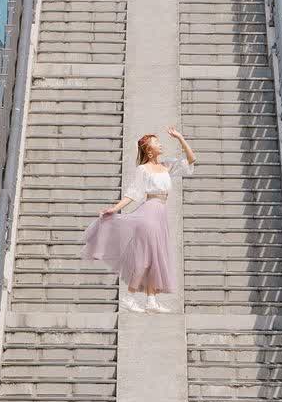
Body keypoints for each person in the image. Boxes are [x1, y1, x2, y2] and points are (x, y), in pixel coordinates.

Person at [82, 126, 196, 313]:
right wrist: (115, 208)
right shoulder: (143, 169)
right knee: (145, 258)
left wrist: (180, 137)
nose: (160, 144)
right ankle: (129, 297)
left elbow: (192, 159)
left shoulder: (166, 166)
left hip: (160, 215)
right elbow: (132, 194)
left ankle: (151, 300)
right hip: (149, 213)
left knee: (154, 259)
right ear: (149, 150)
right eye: (156, 142)